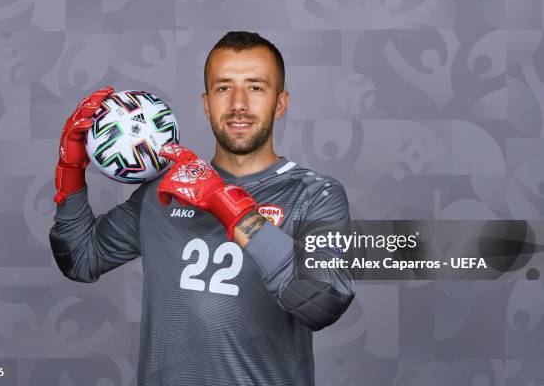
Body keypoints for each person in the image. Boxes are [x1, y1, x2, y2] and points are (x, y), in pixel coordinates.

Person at [49, 31, 354, 386]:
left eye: (255, 87)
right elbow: (81, 260)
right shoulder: (164, 190)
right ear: (207, 103)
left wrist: (227, 205)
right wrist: (70, 172)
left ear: (280, 103)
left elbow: (323, 301)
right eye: (224, 88)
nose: (239, 103)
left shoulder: (315, 195)